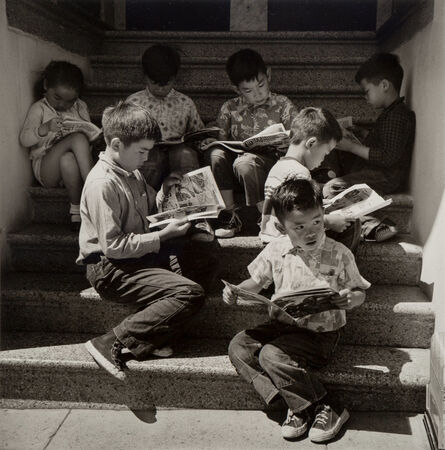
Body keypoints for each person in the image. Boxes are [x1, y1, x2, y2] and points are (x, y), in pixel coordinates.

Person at [224, 177, 370, 443]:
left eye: (316, 221)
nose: (311, 232)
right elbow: (256, 283)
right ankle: (295, 403)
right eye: (299, 227)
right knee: (239, 346)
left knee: (270, 354)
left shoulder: (339, 253)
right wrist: (236, 291)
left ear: (324, 215)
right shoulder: (275, 250)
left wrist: (352, 299)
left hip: (320, 334)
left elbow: (359, 291)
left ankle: (329, 406)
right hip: (282, 326)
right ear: (281, 227)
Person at [77, 100, 205, 381]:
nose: (147, 159)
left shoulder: (131, 171)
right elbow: (114, 246)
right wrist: (163, 236)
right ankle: (110, 341)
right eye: (142, 151)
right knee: (188, 293)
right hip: (109, 268)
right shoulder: (103, 184)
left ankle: (149, 338)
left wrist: (165, 193)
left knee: (203, 262)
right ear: (116, 144)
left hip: (135, 257)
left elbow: (148, 210)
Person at [203, 48, 297, 238]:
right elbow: (221, 139)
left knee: (245, 163)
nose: (257, 93)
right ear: (236, 89)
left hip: (268, 164)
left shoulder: (283, 104)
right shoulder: (229, 108)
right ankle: (229, 215)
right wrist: (210, 142)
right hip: (237, 168)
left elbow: (298, 137)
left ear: (268, 75)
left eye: (261, 85)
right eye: (248, 90)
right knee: (216, 154)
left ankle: (266, 217)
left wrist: (287, 142)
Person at [127, 44, 213, 241]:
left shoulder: (185, 102)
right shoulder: (134, 103)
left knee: (186, 155)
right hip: (150, 153)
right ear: (145, 77)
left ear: (175, 78)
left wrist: (207, 140)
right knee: (150, 160)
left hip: (178, 152)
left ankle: (197, 216)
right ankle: (142, 214)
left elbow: (196, 132)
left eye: (167, 83)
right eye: (155, 82)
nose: (161, 87)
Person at [323, 53, 416, 200]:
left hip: (385, 178)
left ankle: (330, 182)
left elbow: (387, 157)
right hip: (375, 172)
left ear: (384, 85)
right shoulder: (390, 113)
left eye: (367, 91)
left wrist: (352, 147)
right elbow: (385, 141)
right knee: (333, 141)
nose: (365, 97)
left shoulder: (398, 115)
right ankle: (328, 175)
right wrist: (361, 133)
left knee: (331, 189)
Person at [19, 61, 94, 230]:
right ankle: (95, 187)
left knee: (68, 158)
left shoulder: (81, 106)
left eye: (70, 101)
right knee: (77, 139)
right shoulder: (40, 108)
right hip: (47, 169)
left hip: (71, 166)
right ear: (46, 85)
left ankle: (76, 212)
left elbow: (88, 132)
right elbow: (24, 139)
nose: (62, 105)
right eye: (57, 98)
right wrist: (44, 129)